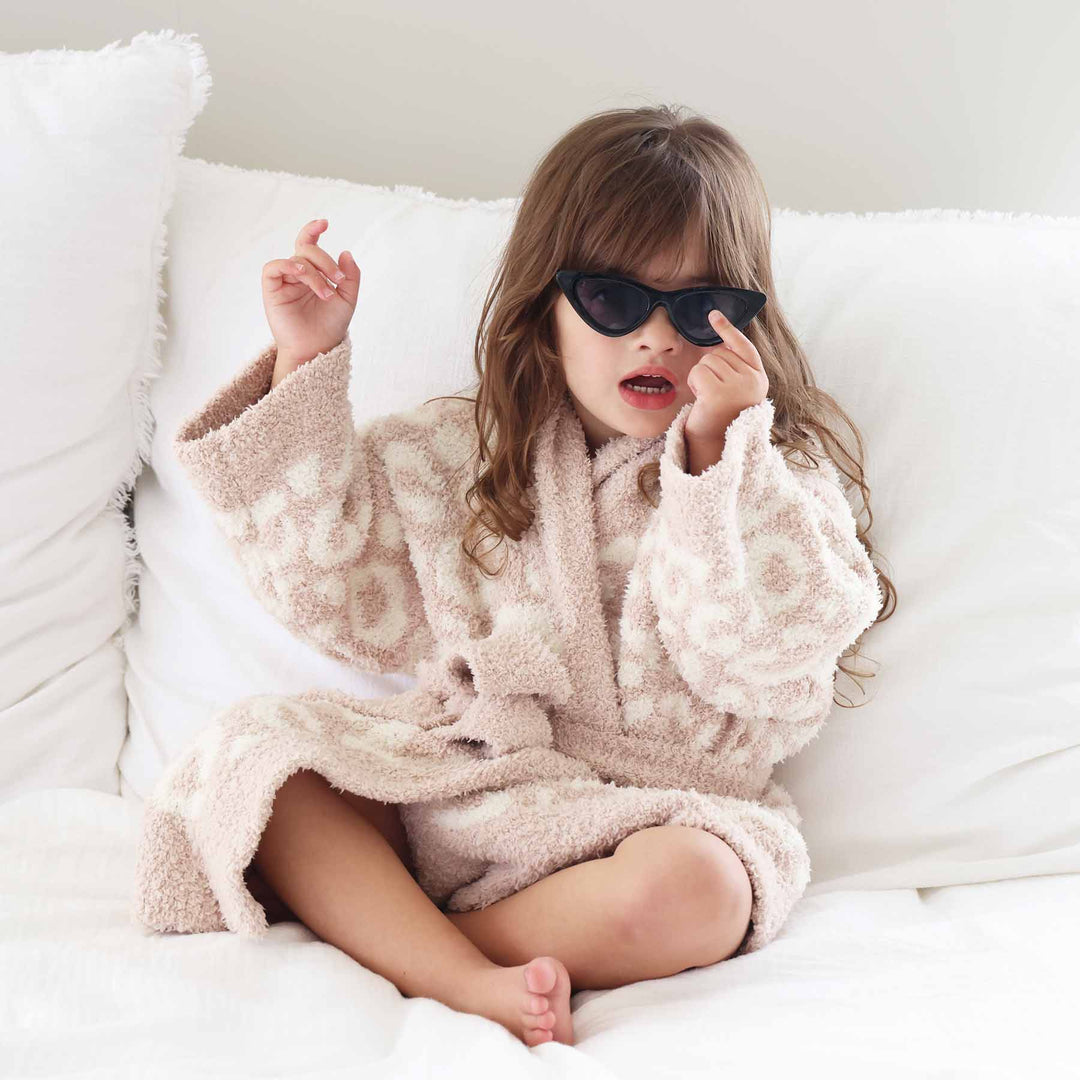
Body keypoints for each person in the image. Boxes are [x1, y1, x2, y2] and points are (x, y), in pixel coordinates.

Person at [135, 104, 892, 1050]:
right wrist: (306, 357)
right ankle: (456, 968)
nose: (656, 338)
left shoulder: (774, 477)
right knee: (257, 759)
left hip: (656, 821)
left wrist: (714, 466)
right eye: (614, 302)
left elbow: (768, 669)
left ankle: (428, 953)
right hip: (468, 790)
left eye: (699, 307)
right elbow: (335, 591)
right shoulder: (465, 453)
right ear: (548, 306)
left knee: (701, 890)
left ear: (745, 322)